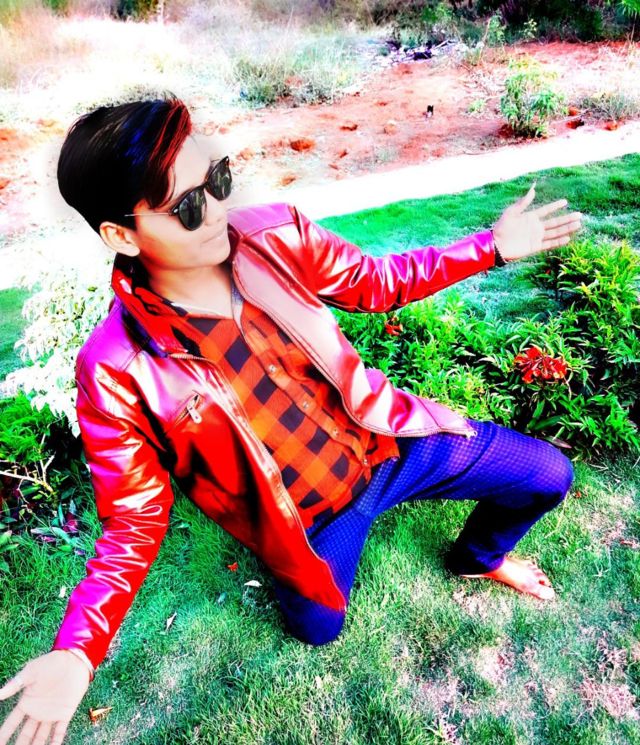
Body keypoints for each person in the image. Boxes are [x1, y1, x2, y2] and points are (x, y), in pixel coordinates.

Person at [0, 93, 582, 745]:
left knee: (548, 475)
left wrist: (490, 249)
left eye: (217, 179)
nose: (217, 211)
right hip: (312, 520)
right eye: (188, 206)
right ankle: (310, 570)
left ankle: (479, 557)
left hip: (391, 444)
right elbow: (133, 522)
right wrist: (78, 649)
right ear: (121, 235)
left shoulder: (276, 234)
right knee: (318, 627)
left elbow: (378, 281)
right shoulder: (117, 368)